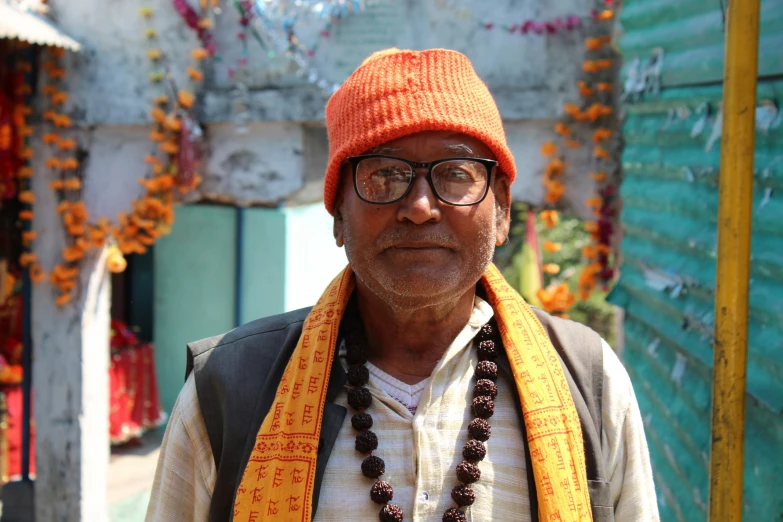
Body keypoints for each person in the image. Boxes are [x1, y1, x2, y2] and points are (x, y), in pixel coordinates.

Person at [146, 48, 658, 522]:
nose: (419, 207)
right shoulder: (229, 389)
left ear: (501, 208)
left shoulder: (588, 380)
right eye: (384, 175)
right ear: (338, 215)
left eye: (456, 174)